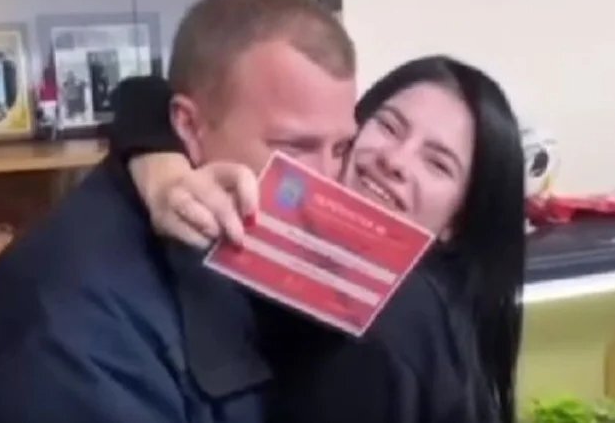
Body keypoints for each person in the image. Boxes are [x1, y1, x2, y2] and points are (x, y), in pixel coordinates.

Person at [0, 0, 357, 423]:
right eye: (295, 148)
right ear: (188, 126)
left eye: (341, 149)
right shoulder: (68, 313)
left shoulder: (265, 240)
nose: (328, 185)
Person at [114, 56, 526, 423]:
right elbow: (142, 95)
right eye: (388, 126)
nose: (395, 161)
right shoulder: (302, 251)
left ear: (458, 220)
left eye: (437, 164)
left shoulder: (388, 325)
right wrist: (164, 174)